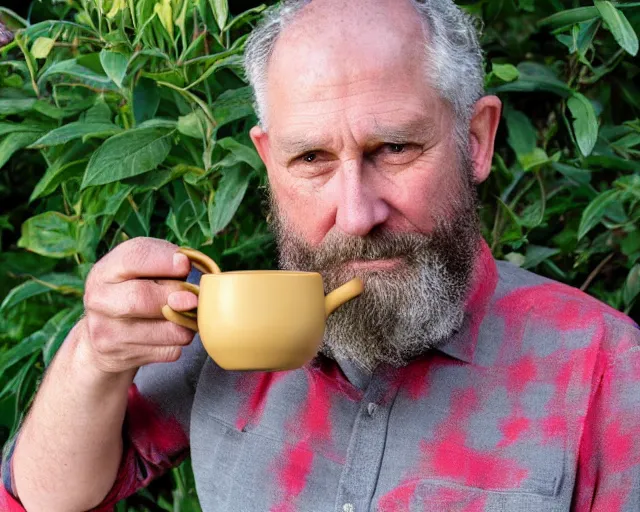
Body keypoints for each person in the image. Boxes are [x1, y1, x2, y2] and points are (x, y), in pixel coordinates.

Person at [2, 0, 640, 510]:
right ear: (269, 164)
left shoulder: (608, 371)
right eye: (311, 158)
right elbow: (43, 499)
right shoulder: (232, 331)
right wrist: (96, 352)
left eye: (394, 148)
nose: (357, 214)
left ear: (475, 141)